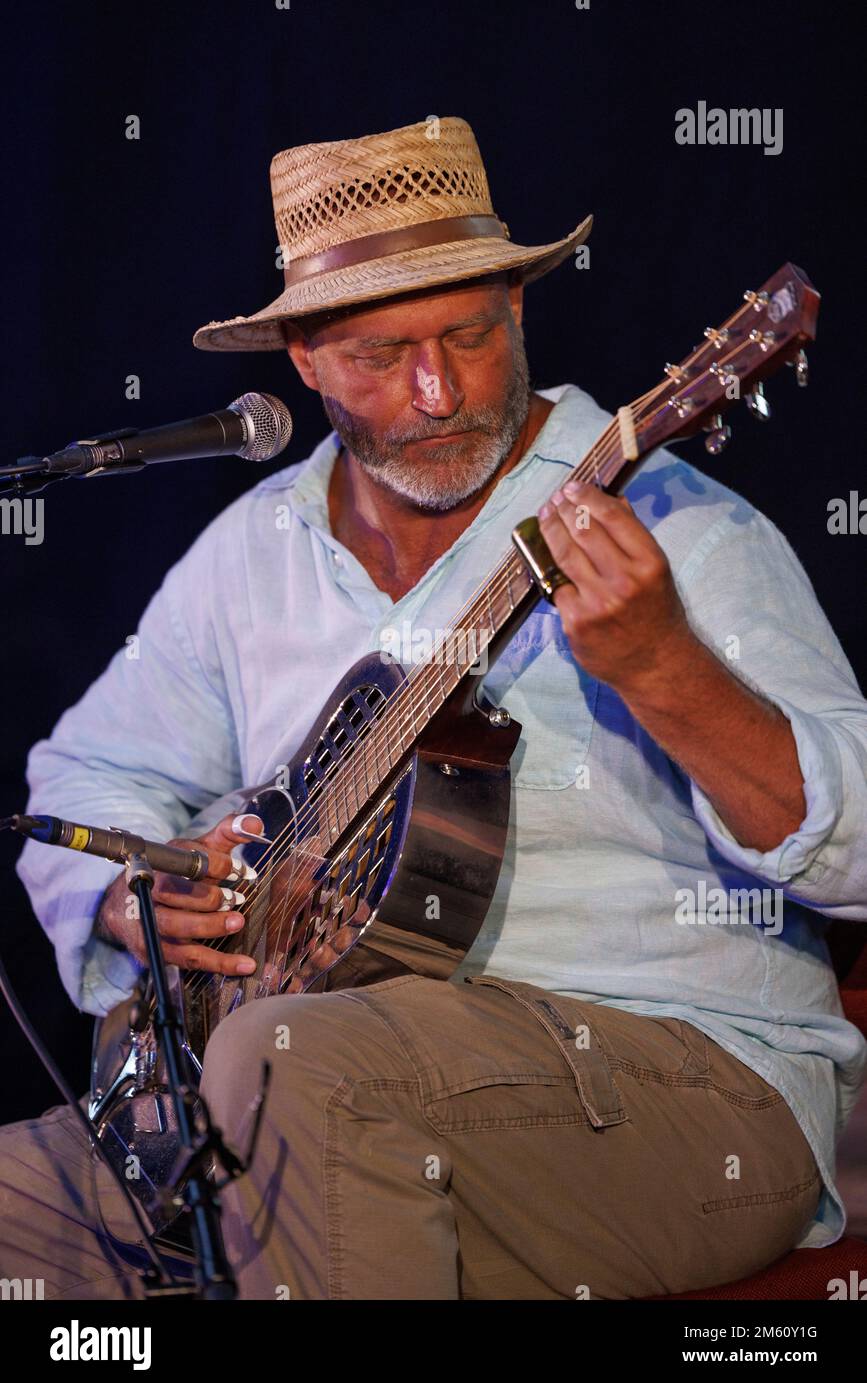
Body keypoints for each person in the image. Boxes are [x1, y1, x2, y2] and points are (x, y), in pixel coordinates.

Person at [1, 117, 865, 1301]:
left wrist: (666, 668)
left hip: (681, 1085)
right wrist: (118, 890)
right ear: (301, 358)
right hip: (288, 1092)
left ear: (519, 307)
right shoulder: (253, 554)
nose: (437, 390)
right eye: (378, 353)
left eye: (469, 333)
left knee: (293, 1057)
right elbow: (85, 776)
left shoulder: (680, 526)